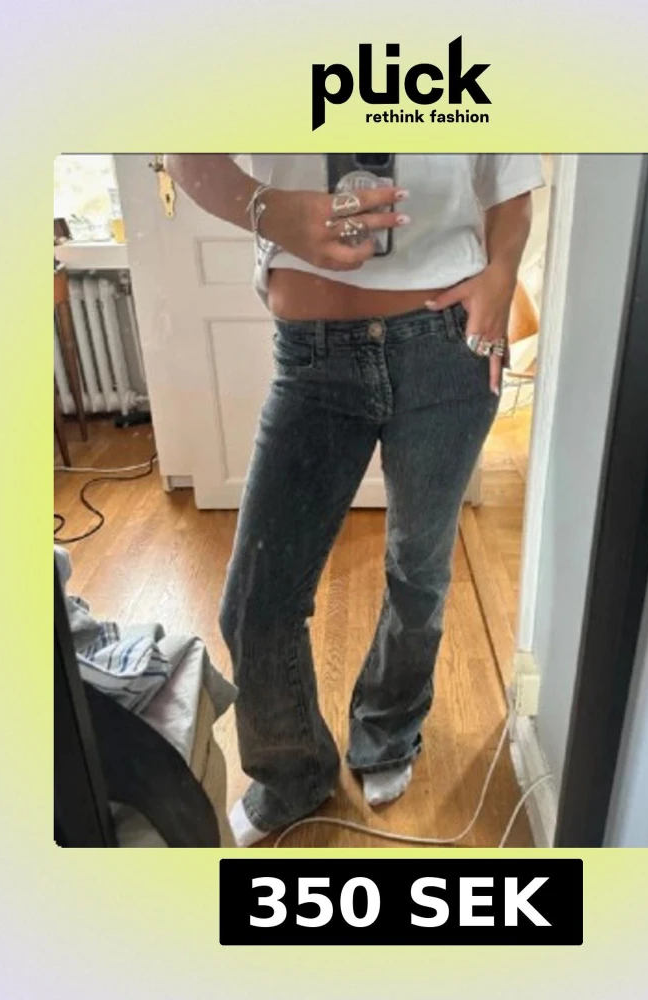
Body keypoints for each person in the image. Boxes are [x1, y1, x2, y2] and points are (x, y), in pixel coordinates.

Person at [165, 154, 544, 845]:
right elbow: (183, 151)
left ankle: (387, 733)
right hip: (311, 358)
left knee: (418, 571)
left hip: (446, 351)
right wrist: (266, 208)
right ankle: (293, 774)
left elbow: (510, 184)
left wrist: (500, 277)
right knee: (255, 600)